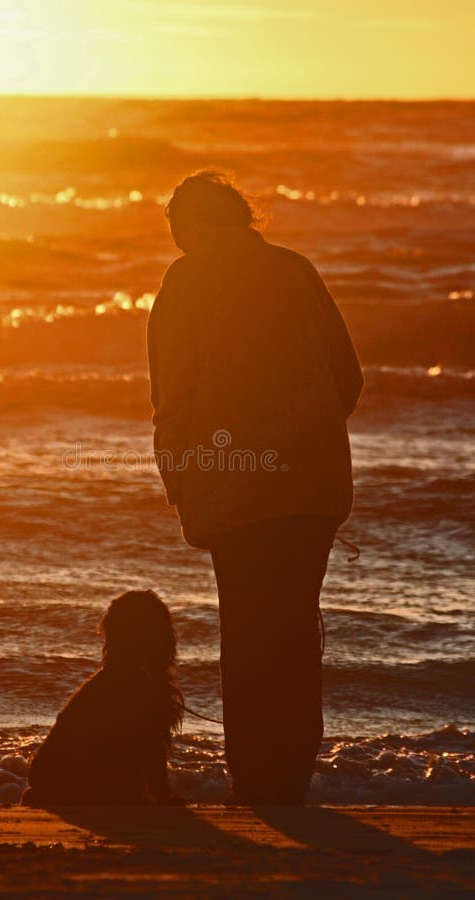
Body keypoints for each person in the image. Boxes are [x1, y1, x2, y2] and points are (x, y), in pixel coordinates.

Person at [147, 170, 364, 805]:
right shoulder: (297, 270)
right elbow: (347, 377)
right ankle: (291, 777)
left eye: (175, 229)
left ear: (190, 224)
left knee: (246, 630)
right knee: (295, 627)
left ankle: (253, 780)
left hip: (234, 483)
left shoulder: (185, 280)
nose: (177, 242)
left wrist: (179, 479)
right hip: (312, 487)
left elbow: (173, 396)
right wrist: (307, 438)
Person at [21, 590, 183, 806]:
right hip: (62, 780)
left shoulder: (120, 679)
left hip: (50, 778)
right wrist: (162, 795)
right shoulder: (133, 684)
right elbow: (148, 745)